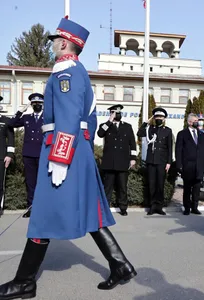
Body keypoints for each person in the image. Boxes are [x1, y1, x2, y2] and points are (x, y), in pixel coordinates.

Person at [0, 17, 137, 299]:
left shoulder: (66, 72)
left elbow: (68, 118)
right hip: (76, 151)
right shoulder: (76, 71)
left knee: (42, 213)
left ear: (64, 42)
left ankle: (25, 282)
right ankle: (120, 265)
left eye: (54, 40)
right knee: (89, 212)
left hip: (65, 152)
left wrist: (60, 158)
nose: (51, 44)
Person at [8, 93, 44, 218]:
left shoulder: (48, 117)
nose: (37, 105)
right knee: (30, 182)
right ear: (31, 105)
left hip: (42, 154)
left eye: (39, 103)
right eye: (34, 104)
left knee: (43, 182)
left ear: (42, 104)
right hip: (28, 154)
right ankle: (31, 207)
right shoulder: (27, 117)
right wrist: (20, 111)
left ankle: (43, 208)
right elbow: (11, 123)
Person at [97, 104, 137, 216]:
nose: (118, 115)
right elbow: (100, 134)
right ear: (111, 114)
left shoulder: (127, 127)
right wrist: (109, 121)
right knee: (107, 187)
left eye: (119, 113)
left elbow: (132, 143)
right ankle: (104, 208)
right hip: (109, 162)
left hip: (123, 161)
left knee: (122, 187)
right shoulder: (105, 125)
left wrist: (133, 158)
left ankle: (123, 208)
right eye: (115, 113)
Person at [137, 107, 172, 215]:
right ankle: (152, 206)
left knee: (160, 185)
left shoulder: (168, 131)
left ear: (164, 119)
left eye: (160, 117)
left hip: (161, 161)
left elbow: (170, 147)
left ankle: (159, 207)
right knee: (152, 184)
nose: (158, 119)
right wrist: (146, 122)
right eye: (156, 117)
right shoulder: (150, 129)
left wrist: (169, 162)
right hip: (151, 161)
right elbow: (139, 133)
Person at [176, 113, 204, 215]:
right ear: (190, 122)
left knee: (197, 188)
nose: (197, 122)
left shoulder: (201, 134)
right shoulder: (182, 134)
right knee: (187, 188)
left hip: (199, 166)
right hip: (187, 166)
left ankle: (195, 207)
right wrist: (179, 165)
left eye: (197, 120)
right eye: (195, 121)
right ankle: (187, 207)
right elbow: (178, 150)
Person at [0, 95, 14, 216]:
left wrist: (9, 154)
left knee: (0, 183)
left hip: (1, 156)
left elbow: (10, 138)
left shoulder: (5, 120)